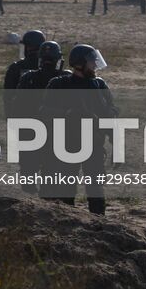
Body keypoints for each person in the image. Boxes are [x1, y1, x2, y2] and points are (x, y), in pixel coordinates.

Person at [42, 44, 115, 215]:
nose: (95, 66)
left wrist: (114, 140)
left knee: (96, 189)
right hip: (67, 145)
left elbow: (111, 112)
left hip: (94, 145)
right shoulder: (59, 84)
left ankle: (99, 223)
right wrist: (68, 114)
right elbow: (45, 111)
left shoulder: (99, 85)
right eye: (91, 62)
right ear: (80, 64)